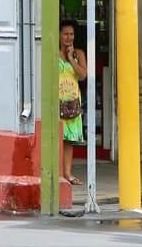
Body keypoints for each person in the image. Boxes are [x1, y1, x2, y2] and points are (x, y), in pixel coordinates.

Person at [58, 19, 87, 184]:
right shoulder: (53, 53)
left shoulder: (79, 54)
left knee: (69, 140)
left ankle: (68, 173)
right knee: (57, 137)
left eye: (71, 34)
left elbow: (83, 75)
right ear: (59, 35)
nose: (69, 37)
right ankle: (59, 173)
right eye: (65, 34)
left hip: (72, 101)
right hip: (57, 100)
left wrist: (71, 59)